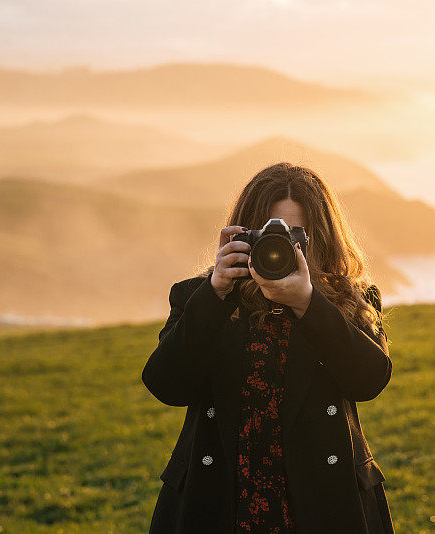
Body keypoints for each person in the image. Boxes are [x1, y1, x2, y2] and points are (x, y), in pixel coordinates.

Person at [142, 162, 395, 534]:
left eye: (296, 235)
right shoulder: (202, 297)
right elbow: (167, 385)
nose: (281, 249)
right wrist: (216, 294)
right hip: (223, 502)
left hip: (321, 505)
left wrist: (309, 303)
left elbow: (369, 381)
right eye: (267, 235)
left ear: (320, 238)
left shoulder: (348, 298)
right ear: (243, 235)